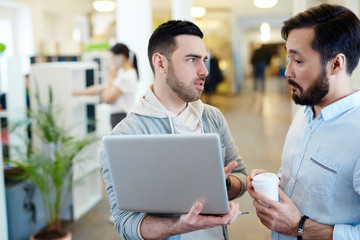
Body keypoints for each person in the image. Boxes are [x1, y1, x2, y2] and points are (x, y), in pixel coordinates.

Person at [99, 20, 248, 240]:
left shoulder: (212, 117)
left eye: (203, 60)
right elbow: (125, 222)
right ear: (160, 63)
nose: (205, 71)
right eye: (192, 60)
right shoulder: (126, 135)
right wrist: (180, 225)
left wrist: (222, 184)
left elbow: (240, 178)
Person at [246, 3, 360, 240]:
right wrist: (273, 183)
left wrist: (299, 227)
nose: (287, 72)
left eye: (298, 61)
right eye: (288, 59)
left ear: (337, 63)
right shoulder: (305, 112)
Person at [73, 43, 138, 128]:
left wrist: (110, 76)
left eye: (113, 58)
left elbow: (107, 99)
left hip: (120, 116)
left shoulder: (127, 77)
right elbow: (103, 88)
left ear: (121, 56)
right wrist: (79, 93)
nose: (113, 62)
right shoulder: (123, 73)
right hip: (119, 116)